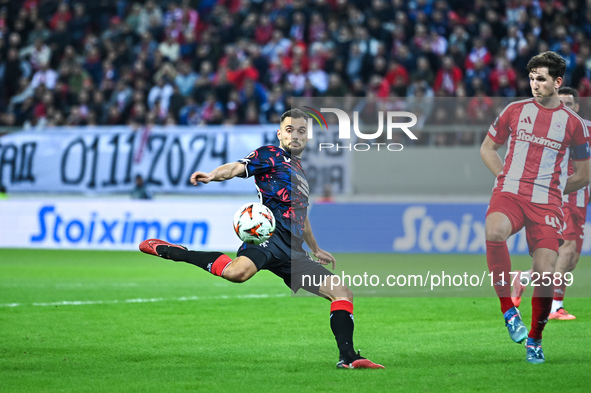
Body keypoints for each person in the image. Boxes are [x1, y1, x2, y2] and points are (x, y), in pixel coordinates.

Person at [139, 109, 384, 369]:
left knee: (341, 291)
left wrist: (315, 247)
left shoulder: (300, 172)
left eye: (302, 131)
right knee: (237, 273)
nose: (296, 135)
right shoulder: (270, 155)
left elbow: (301, 213)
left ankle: (348, 358)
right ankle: (174, 251)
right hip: (269, 235)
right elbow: (236, 167)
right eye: (290, 130)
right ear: (280, 134)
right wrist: (212, 175)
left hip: (294, 250)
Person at [480, 51, 590, 364]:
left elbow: (583, 174)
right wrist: (504, 177)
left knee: (544, 274)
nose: (534, 84)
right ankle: (508, 311)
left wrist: (554, 189)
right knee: (494, 231)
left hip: (547, 203)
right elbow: (487, 148)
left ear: (557, 82)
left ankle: (535, 338)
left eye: (540, 79)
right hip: (511, 194)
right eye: (531, 78)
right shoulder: (515, 110)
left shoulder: (574, 125)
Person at [511, 87, 591, 320]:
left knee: (572, 260)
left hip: (580, 199)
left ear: (576, 107)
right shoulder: (548, 129)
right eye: (561, 103)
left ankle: (523, 278)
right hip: (560, 194)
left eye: (569, 104)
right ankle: (555, 306)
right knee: (566, 250)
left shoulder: (586, 128)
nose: (565, 107)